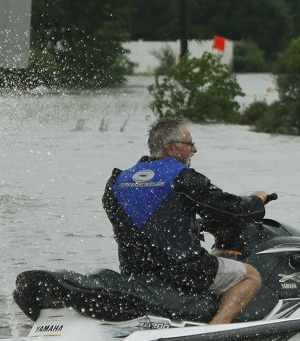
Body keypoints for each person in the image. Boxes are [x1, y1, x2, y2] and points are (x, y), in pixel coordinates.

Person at [103, 116, 270, 325]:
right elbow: (233, 210)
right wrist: (256, 201)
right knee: (250, 275)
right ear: (171, 148)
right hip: (183, 271)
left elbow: (134, 223)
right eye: (190, 144)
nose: (194, 150)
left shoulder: (117, 181)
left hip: (134, 270)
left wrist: (187, 226)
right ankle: (216, 330)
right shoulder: (183, 178)